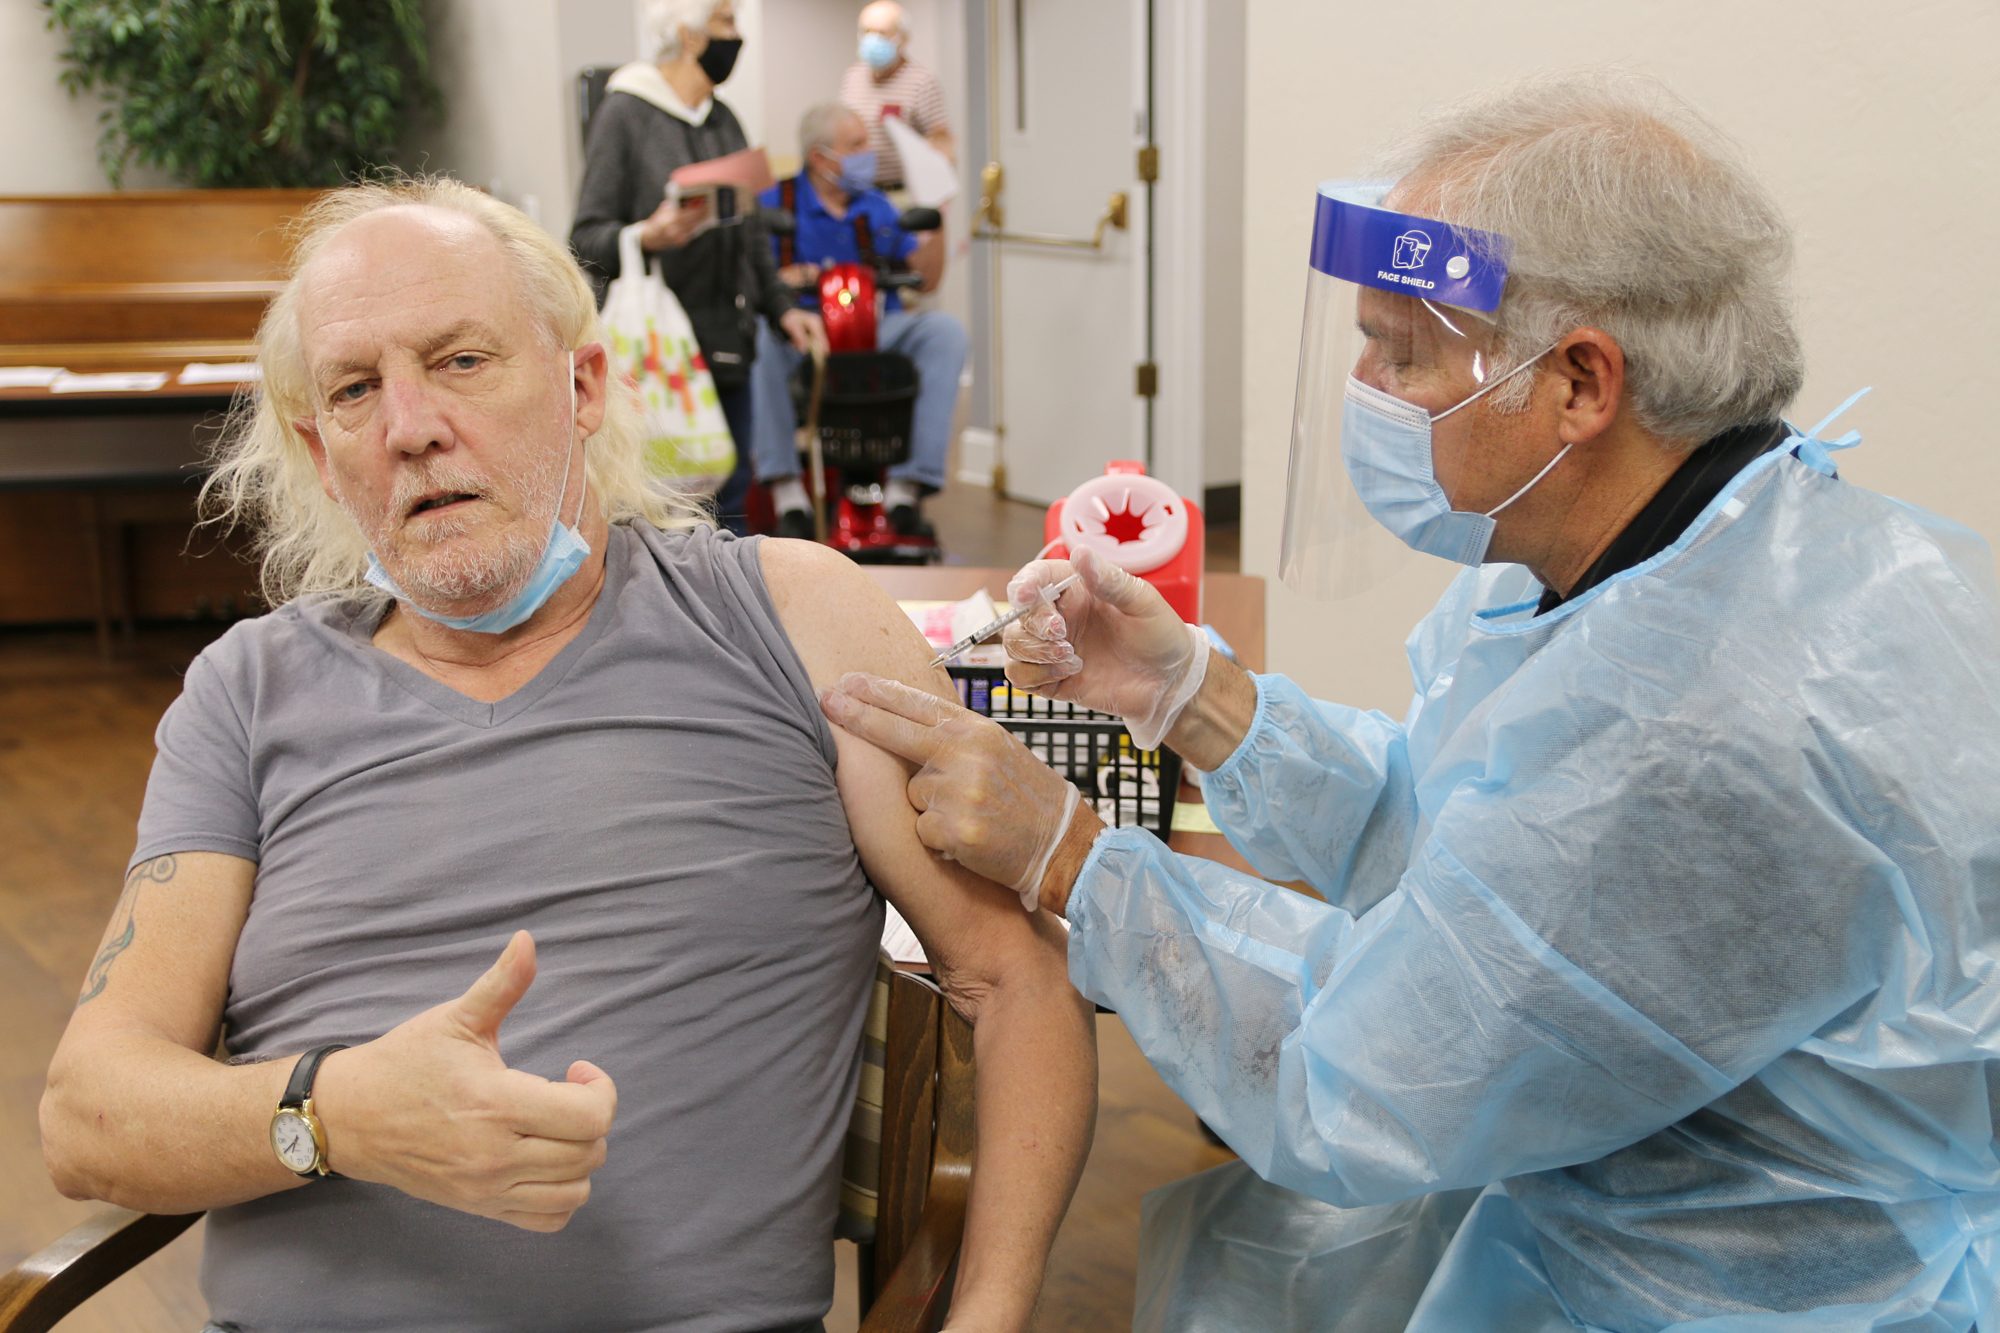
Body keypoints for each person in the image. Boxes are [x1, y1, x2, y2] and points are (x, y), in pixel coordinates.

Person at [817, 72, 2000, 1330]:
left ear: (1579, 384)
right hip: (1611, 1174)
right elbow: (1459, 834)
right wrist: (1190, 693)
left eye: (1405, 352)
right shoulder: (1694, 553)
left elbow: (1363, 1071)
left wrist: (1070, 859)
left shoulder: (1688, 734)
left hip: (1722, 1288)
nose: (1368, 388)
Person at [38, 176, 1095, 1333]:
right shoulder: (247, 692)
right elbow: (88, 1114)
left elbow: (1016, 977)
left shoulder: (793, 620)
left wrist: (987, 1314)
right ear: (318, 446)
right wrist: (336, 1112)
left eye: (460, 361)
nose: (410, 425)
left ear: (582, 384)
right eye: (354, 389)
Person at [571, 0, 817, 536]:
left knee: (729, 498)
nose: (737, 35)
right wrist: (646, 236)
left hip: (729, 340)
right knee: (660, 508)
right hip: (659, 351)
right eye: (726, 22)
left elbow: (749, 232)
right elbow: (586, 237)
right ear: (688, 35)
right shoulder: (626, 114)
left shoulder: (724, 118)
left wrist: (782, 309)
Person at [753, 103, 966, 541]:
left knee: (944, 332)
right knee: (758, 340)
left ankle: (906, 489)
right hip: (803, 329)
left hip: (875, 327)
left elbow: (926, 279)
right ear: (820, 157)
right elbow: (749, 273)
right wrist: (784, 282)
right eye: (857, 146)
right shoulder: (776, 200)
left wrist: (937, 210)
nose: (869, 153)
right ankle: (787, 493)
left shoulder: (876, 206)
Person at [839, 1, 954, 191]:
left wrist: (937, 197)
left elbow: (941, 146)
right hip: (858, 191)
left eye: (882, 33)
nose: (872, 39)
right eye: (866, 31)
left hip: (901, 192)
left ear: (903, 39)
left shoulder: (922, 82)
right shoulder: (853, 76)